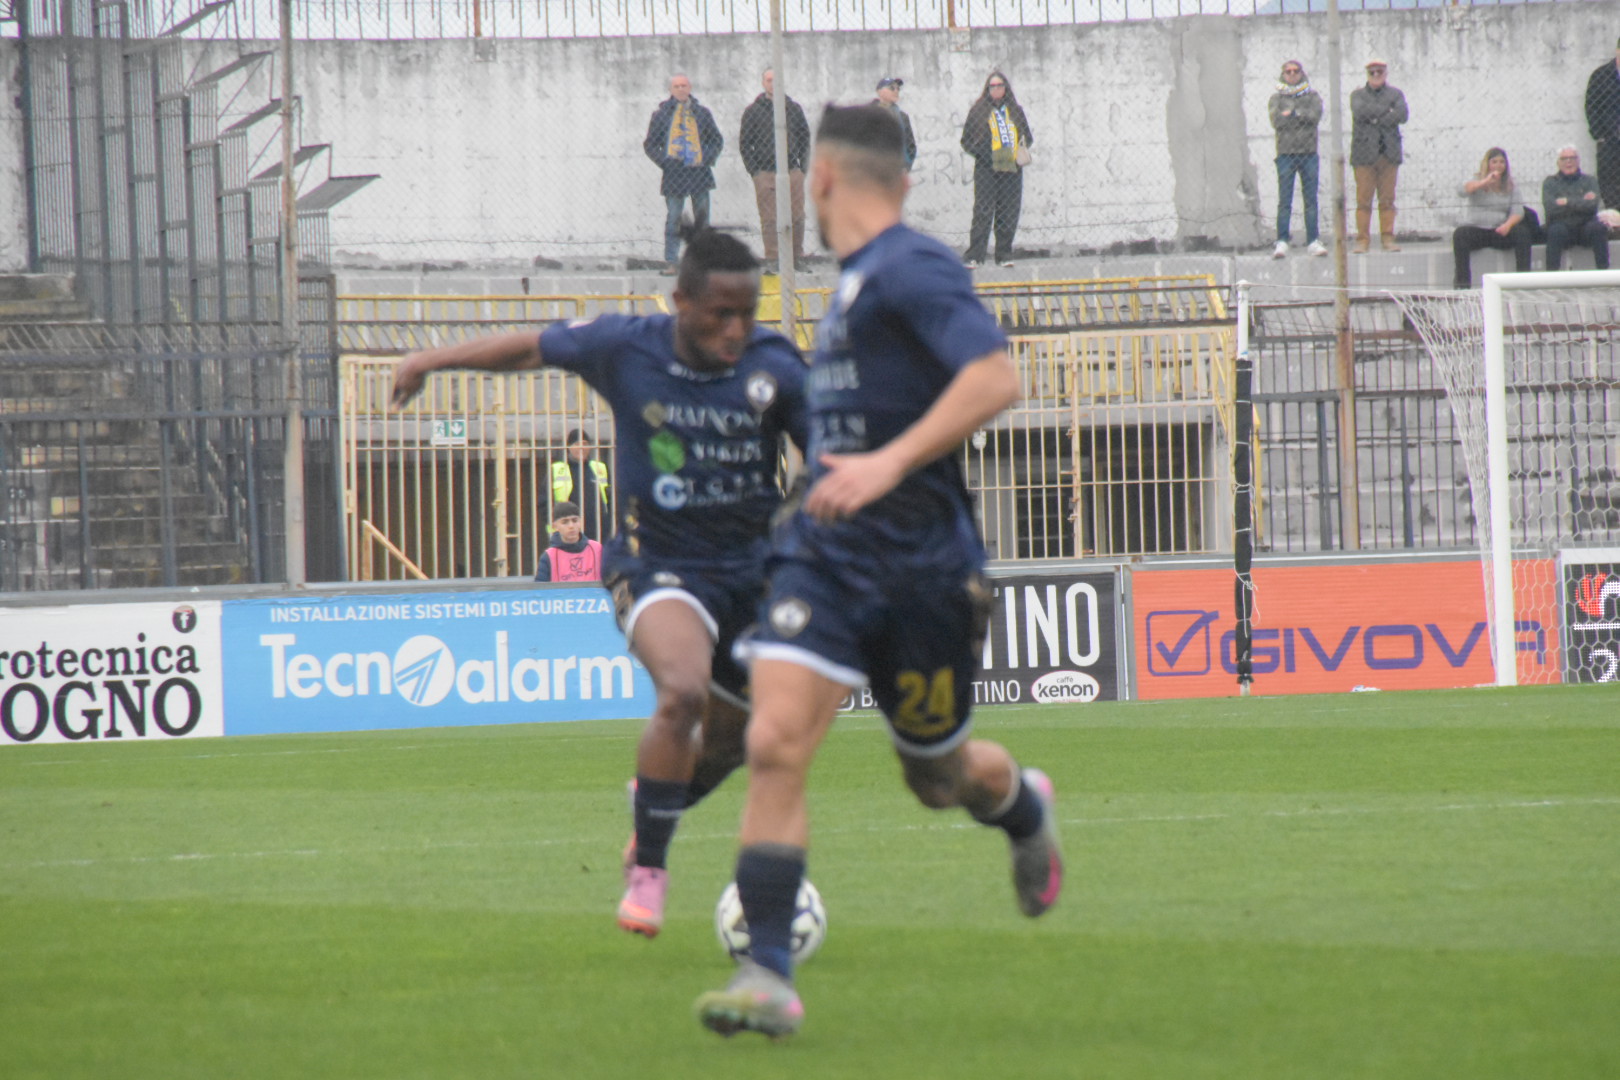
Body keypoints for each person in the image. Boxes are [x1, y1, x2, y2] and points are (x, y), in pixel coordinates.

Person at [694, 104, 1063, 1041]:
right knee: (775, 741)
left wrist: (886, 464)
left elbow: (995, 377)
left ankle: (1022, 808)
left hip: (923, 571)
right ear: (902, 178)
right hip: (823, 560)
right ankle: (768, 975)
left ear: (820, 180)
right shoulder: (854, 288)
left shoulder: (911, 267)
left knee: (937, 778)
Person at [390, 228, 809, 941]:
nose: (736, 330)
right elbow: (528, 349)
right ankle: (649, 870)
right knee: (682, 691)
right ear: (681, 301)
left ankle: (654, 801)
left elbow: (829, 452)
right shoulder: (625, 346)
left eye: (748, 313)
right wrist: (431, 359)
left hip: (753, 573)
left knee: (735, 740)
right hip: (658, 563)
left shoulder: (774, 366)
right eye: (720, 315)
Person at [643, 74, 724, 271]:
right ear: (671, 90)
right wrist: (665, 162)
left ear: (690, 88)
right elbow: (650, 144)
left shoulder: (702, 113)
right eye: (677, 86)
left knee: (702, 219)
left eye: (684, 85)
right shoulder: (661, 115)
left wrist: (704, 158)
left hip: (699, 174)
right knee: (674, 218)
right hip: (674, 174)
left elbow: (716, 140)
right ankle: (672, 261)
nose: (680, 89)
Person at [739, 68, 812, 268]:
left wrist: (802, 169)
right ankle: (772, 258)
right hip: (765, 172)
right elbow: (745, 144)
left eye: (777, 80)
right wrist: (755, 172)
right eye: (769, 80)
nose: (773, 83)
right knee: (770, 218)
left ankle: (796, 257)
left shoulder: (793, 108)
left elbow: (805, 138)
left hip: (792, 171)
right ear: (763, 83)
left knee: (797, 216)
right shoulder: (753, 111)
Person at [960, 70, 1033, 268]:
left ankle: (1004, 254)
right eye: (992, 86)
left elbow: (1027, 137)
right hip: (987, 169)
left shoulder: (1015, 110)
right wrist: (985, 154)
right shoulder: (978, 111)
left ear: (1006, 88)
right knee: (983, 211)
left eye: (1000, 85)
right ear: (987, 89)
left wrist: (1017, 150)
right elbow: (966, 140)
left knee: (1008, 211)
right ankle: (975, 255)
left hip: (1011, 168)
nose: (996, 89)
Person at [1268, 60, 1327, 259]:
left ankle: (1313, 241)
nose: (1292, 74)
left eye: (1296, 71)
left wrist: (1293, 114)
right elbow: (1277, 121)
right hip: (1285, 153)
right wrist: (1301, 116)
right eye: (1288, 71)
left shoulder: (1312, 96)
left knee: (1310, 199)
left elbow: (1315, 116)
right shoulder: (1276, 98)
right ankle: (1282, 241)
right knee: (1285, 200)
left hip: (1308, 153)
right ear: (1283, 74)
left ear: (1301, 73)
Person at [1349, 58, 1408, 253]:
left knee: (1388, 199)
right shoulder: (1357, 95)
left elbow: (1402, 115)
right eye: (1372, 72)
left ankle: (1387, 238)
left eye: (1379, 72)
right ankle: (1362, 240)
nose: (1376, 75)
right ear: (1367, 74)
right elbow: (1360, 112)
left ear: (1385, 73)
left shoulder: (1396, 94)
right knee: (1363, 200)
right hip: (1364, 155)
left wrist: (1374, 117)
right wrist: (1387, 110)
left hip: (1388, 154)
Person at [1451, 148, 1533, 288]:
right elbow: (1462, 191)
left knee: (1522, 233)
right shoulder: (1476, 180)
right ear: (1487, 164)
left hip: (1499, 230)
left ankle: (1523, 282)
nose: (1498, 165)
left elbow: (1518, 211)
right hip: (1478, 230)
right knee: (1460, 234)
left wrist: (1507, 225)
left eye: (1502, 162)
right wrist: (1484, 182)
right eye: (1494, 162)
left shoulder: (1511, 184)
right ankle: (1462, 285)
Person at [1543, 146, 1611, 271]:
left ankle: (1603, 273)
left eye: (1572, 158)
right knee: (1555, 231)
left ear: (1578, 161)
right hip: (1562, 226)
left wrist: (1567, 201)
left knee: (1598, 228)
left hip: (1586, 227)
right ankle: (1551, 276)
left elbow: (1592, 206)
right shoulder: (1550, 182)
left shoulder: (1589, 181)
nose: (1568, 162)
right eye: (1564, 158)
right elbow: (1551, 209)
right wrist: (1581, 201)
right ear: (1558, 162)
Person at [553, 428, 612, 542]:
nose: (581, 447)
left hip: (599, 531)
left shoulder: (599, 468)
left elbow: (611, 498)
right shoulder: (557, 469)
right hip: (569, 533)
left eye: (585, 444)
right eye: (577, 444)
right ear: (569, 447)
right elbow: (544, 501)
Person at [1585, 38, 1620, 210]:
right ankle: (1614, 215)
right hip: (1609, 139)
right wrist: (1600, 135)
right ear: (1617, 51)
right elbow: (1592, 106)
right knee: (1609, 181)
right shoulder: (1601, 76)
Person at [533, 501, 603, 583]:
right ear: (555, 526)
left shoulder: (597, 549)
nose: (571, 526)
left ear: (580, 522)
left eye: (575, 520)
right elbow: (541, 588)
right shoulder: (549, 556)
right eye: (565, 522)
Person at [871, 76, 917, 172]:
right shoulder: (868, 113)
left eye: (898, 89)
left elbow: (910, 145)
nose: (896, 91)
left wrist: (906, 167)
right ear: (879, 91)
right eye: (891, 88)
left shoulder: (902, 116)